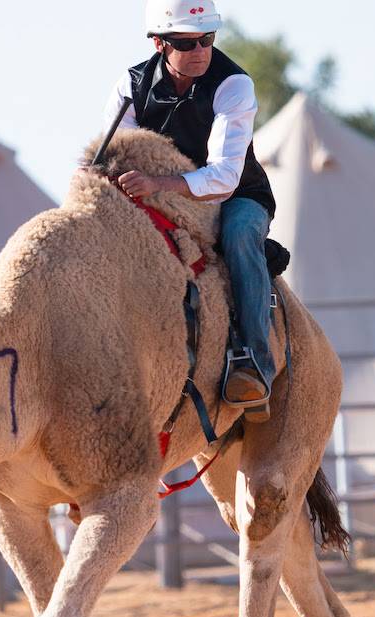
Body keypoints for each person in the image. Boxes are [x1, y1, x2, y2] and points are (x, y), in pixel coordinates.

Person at [103, 0, 278, 419]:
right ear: (160, 43)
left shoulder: (234, 84)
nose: (201, 50)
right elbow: (109, 158)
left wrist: (157, 185)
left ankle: (255, 365)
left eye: (208, 38)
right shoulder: (130, 86)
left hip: (238, 197)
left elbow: (223, 177)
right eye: (188, 42)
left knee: (237, 236)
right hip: (158, 196)